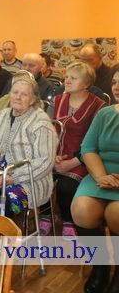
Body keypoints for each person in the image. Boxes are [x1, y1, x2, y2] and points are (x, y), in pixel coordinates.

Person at [38, 61, 105, 239]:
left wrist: (73, 162)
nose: (67, 80)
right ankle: (46, 215)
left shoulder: (98, 106)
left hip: (83, 158)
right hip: (55, 154)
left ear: (86, 83)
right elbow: (47, 130)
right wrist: (52, 155)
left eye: (73, 78)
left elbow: (96, 142)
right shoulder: (57, 100)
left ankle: (69, 220)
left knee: (66, 186)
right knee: (41, 178)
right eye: (66, 77)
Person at [70, 64, 119, 293]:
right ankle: (101, 266)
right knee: (81, 209)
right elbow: (88, 148)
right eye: (115, 82)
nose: (117, 87)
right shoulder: (105, 114)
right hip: (100, 173)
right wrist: (101, 176)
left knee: (116, 214)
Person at [0, 75, 58, 215]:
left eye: (24, 94)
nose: (18, 97)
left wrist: (13, 178)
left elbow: (45, 162)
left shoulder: (41, 123)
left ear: (33, 99)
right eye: (15, 92)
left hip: (30, 182)